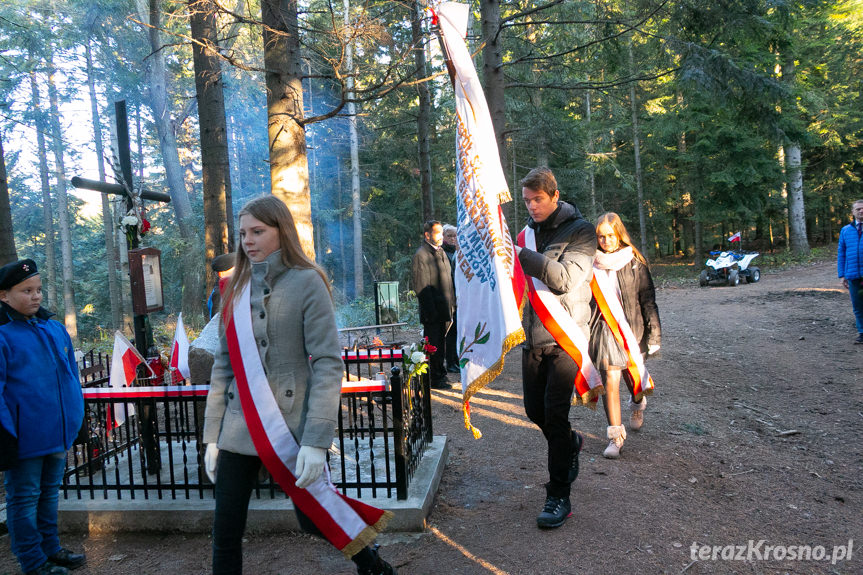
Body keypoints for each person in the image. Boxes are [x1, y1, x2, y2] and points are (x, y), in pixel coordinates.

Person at [203, 196, 396, 575]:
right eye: (243, 233)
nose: (248, 240)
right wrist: (213, 434)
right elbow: (223, 366)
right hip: (241, 425)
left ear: (282, 231)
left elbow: (327, 364)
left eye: (258, 231)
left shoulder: (309, 282)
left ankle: (371, 563)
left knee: (312, 518)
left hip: (290, 427)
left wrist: (316, 439)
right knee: (225, 529)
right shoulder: (234, 289)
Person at [514, 167, 597, 529]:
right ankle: (570, 442)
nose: (532, 207)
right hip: (532, 338)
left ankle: (558, 494)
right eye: (527, 201)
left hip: (565, 339)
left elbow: (564, 280)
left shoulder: (581, 231)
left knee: (555, 413)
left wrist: (519, 254)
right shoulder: (525, 235)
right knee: (536, 412)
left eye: (538, 199)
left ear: (554, 195)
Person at [0, 259, 86, 575]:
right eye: (26, 291)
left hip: (57, 433)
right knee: (24, 500)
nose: (35, 296)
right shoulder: (3, 335)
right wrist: (5, 437)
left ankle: (50, 549)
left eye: (38, 290)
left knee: (49, 494)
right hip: (24, 437)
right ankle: (33, 562)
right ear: (3, 295)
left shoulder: (54, 327)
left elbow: (71, 378)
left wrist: (78, 420)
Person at [588, 213, 661, 459]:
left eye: (610, 235)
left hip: (633, 331)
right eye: (600, 236)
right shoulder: (591, 263)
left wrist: (654, 335)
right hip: (605, 329)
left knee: (633, 379)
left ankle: (637, 404)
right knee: (610, 378)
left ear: (619, 234)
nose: (606, 240)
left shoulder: (634, 261)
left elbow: (648, 301)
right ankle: (615, 437)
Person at [411, 220, 455, 389]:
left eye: (441, 233)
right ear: (427, 235)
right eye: (437, 233)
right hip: (433, 313)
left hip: (445, 309)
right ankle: (434, 378)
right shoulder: (421, 255)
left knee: (441, 345)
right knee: (433, 346)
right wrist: (432, 312)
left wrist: (452, 304)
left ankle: (441, 374)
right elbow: (421, 287)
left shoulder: (441, 252)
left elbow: (448, 281)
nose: (440, 236)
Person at [838, 199, 863, 344]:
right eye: (858, 209)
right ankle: (862, 333)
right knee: (858, 306)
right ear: (853, 212)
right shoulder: (846, 230)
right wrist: (842, 275)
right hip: (853, 275)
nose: (861, 211)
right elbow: (841, 253)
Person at [441, 224, 460, 373]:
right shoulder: (442, 253)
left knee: (458, 330)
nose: (453, 239)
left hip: (460, 298)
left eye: (455, 236)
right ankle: (450, 361)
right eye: (450, 236)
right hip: (448, 299)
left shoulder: (458, 252)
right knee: (451, 331)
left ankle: (456, 359)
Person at [207, 252, 236, 319]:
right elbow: (216, 321)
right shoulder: (220, 293)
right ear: (222, 273)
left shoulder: (222, 288)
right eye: (234, 268)